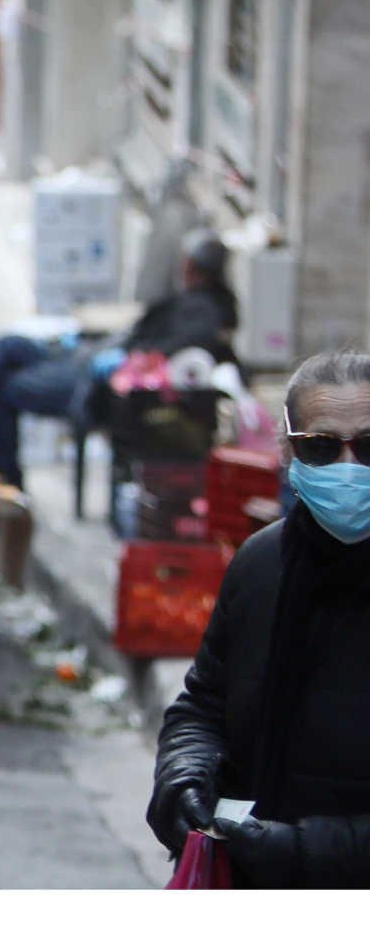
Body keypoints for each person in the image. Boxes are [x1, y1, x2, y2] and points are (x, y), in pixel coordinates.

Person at [146, 348, 370, 887]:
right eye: (320, 448)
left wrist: (305, 850)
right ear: (289, 452)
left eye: (369, 446)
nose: (349, 468)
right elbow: (204, 702)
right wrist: (183, 780)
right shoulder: (262, 564)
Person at [0, 231, 241, 491]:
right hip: (86, 355)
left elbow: (164, 354)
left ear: (191, 267)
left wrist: (125, 357)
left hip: (91, 381)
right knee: (11, 345)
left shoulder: (206, 314)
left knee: (2, 386)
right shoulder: (192, 302)